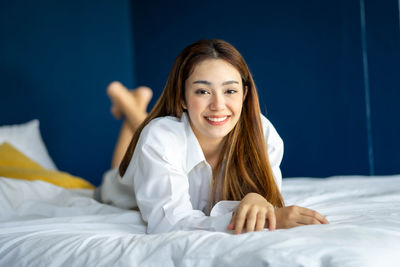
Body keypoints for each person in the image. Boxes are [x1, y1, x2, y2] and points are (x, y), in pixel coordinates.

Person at [98, 39, 329, 235]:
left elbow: (267, 200)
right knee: (120, 168)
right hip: (122, 184)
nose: (218, 105)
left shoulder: (264, 134)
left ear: (244, 95)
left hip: (162, 139)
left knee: (152, 132)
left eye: (230, 91)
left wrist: (257, 199)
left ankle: (131, 105)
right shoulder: (160, 137)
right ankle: (128, 105)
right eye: (203, 91)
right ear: (182, 97)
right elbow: (168, 223)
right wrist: (265, 219)